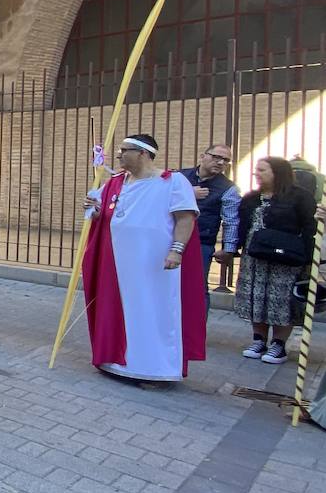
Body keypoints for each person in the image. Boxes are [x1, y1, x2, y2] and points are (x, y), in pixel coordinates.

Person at [81, 135, 204, 381]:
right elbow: (100, 213)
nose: (118, 155)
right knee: (120, 310)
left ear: (143, 154)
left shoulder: (172, 182)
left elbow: (185, 217)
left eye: (124, 150)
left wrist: (176, 250)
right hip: (117, 263)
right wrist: (93, 209)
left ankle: (155, 369)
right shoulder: (115, 183)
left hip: (155, 264)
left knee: (153, 311)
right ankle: (116, 362)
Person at [235, 156, 317, 365]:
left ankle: (278, 344)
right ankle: (258, 339)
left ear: (277, 173)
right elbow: (241, 225)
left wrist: (308, 257)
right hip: (254, 257)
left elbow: (309, 226)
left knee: (280, 300)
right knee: (256, 297)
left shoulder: (300, 197)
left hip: (285, 258)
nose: (256, 173)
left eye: (262, 170)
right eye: (256, 169)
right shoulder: (251, 198)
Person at [178, 143, 240, 303]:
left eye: (226, 160)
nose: (220, 163)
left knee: (196, 288)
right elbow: (157, 198)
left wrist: (229, 249)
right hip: (169, 237)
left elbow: (231, 220)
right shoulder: (179, 177)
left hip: (201, 242)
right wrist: (187, 193)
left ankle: (197, 327)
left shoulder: (228, 188)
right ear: (203, 156)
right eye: (216, 157)